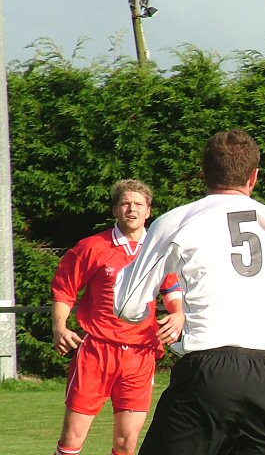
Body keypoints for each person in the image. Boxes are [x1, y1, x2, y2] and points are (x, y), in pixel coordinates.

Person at [114, 128, 265, 455]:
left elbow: (129, 307)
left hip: (207, 374)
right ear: (254, 177)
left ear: (204, 173)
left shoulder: (176, 221)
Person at [51, 179, 184, 455]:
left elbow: (171, 287)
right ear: (115, 210)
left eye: (139, 204)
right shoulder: (91, 247)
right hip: (96, 352)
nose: (132, 209)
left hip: (140, 354)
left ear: (149, 211)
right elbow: (65, 290)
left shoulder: (159, 251)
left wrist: (178, 314)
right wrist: (59, 327)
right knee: (72, 439)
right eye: (125, 203)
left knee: (127, 443)